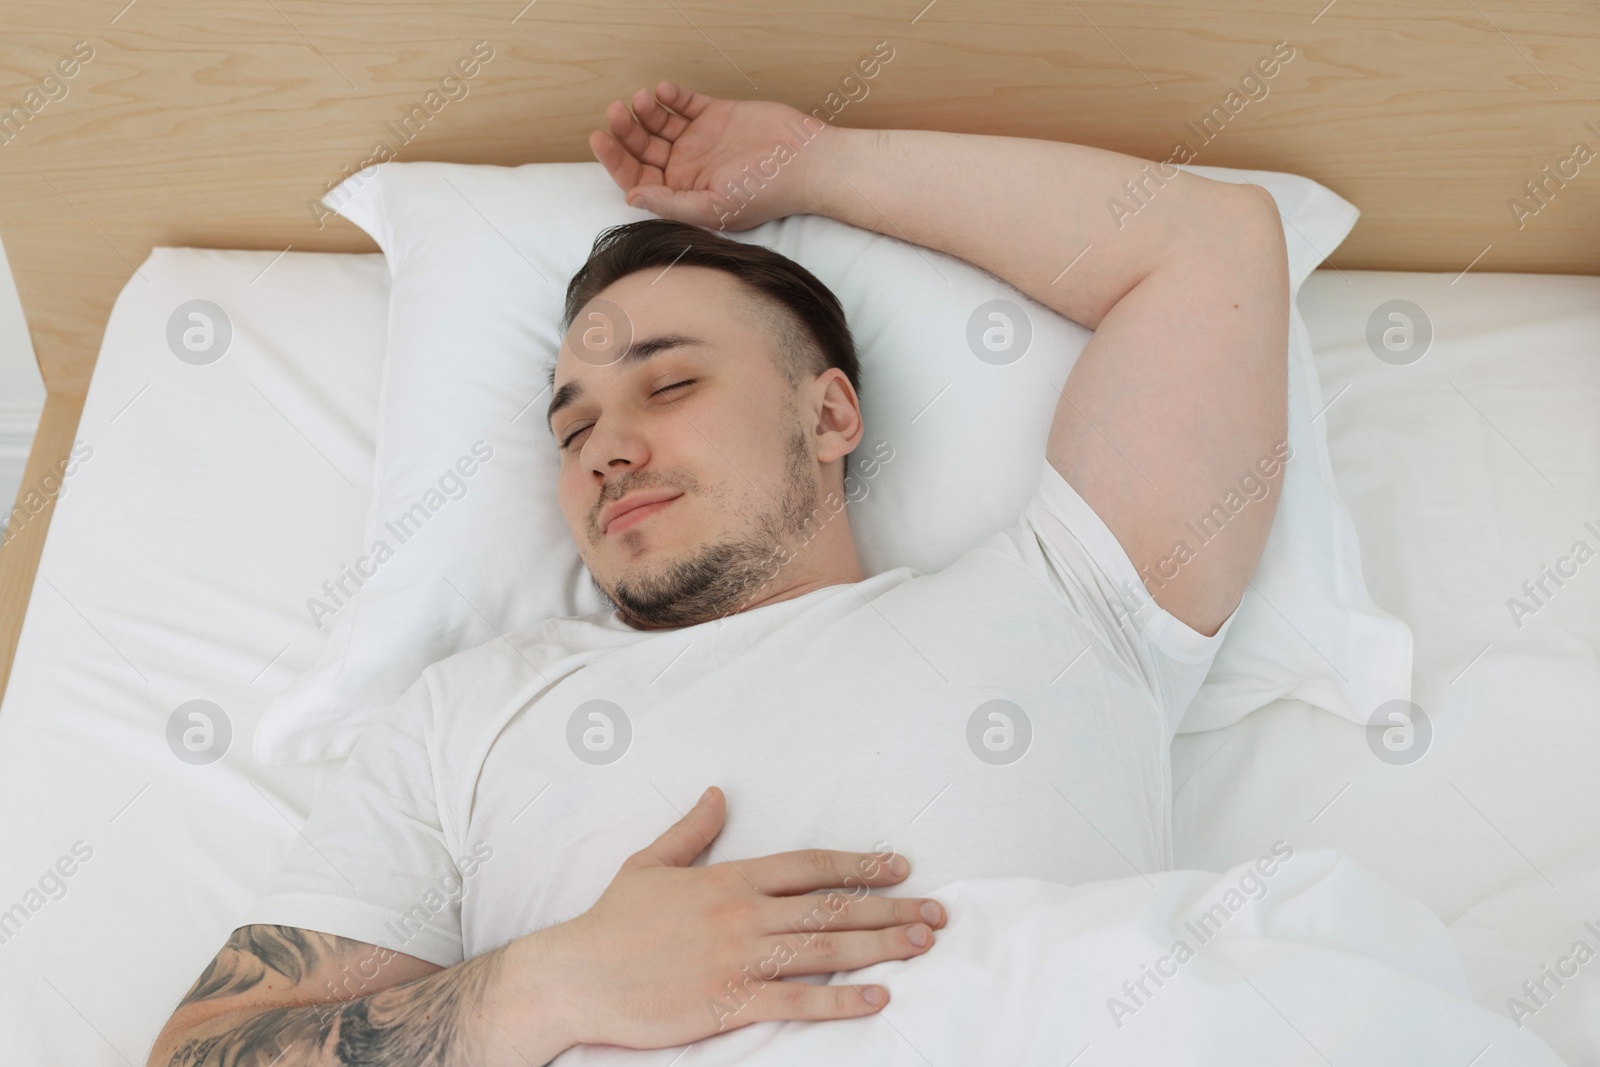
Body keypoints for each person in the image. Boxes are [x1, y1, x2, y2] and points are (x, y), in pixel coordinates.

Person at [146, 80, 1287, 1066]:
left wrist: (816, 164)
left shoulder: (1069, 594)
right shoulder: (469, 712)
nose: (605, 447)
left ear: (830, 409)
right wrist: (552, 983)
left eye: (670, 383)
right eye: (572, 426)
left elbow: (1210, 244)